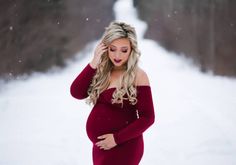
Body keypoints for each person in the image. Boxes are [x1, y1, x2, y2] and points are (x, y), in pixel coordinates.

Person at [70, 21, 155, 165]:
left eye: (124, 50)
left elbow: (148, 118)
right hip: (101, 148)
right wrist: (94, 62)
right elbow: (76, 92)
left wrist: (116, 139)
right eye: (112, 49)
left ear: (131, 50)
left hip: (125, 147)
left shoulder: (138, 76)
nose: (117, 55)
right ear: (105, 48)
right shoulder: (102, 70)